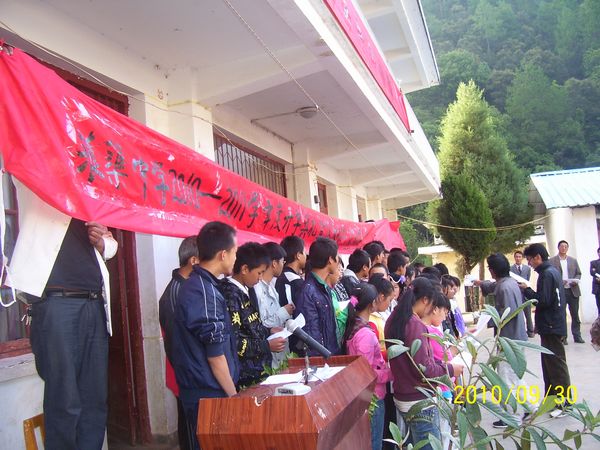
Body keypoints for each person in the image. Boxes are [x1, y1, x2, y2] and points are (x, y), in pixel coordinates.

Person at [7, 181, 118, 450]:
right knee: (64, 400)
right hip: (56, 303)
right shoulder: (37, 181)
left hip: (94, 303)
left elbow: (111, 245)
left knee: (94, 399)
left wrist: (102, 240)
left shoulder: (90, 193)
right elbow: (20, 170)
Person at [171, 221, 239, 450]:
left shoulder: (205, 285)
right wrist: (234, 397)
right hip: (209, 394)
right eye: (234, 252)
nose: (235, 258)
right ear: (223, 254)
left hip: (209, 391)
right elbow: (215, 356)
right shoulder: (203, 291)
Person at [385, 278, 462, 449]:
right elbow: (424, 369)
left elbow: (414, 361)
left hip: (403, 395)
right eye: (433, 304)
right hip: (419, 400)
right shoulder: (414, 324)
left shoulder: (394, 318)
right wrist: (450, 369)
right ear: (425, 300)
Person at [479, 253, 537, 428]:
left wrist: (486, 320)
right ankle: (531, 407)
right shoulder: (509, 282)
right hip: (515, 337)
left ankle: (511, 416)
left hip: (510, 339)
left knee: (505, 378)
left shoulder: (504, 288)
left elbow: (507, 314)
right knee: (514, 376)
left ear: (493, 270)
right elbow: (492, 286)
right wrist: (480, 283)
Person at [219, 242, 287, 387]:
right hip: (245, 376)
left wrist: (268, 330)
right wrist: (266, 346)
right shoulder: (231, 295)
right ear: (244, 269)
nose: (260, 278)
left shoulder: (246, 290)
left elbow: (250, 326)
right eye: (259, 273)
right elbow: (235, 342)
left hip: (257, 371)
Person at [158, 236, 199, 450]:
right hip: (186, 375)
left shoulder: (189, 288)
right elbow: (177, 345)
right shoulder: (176, 293)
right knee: (190, 430)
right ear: (194, 261)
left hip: (194, 372)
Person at [522, 243, 571, 417]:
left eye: (530, 259)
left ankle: (564, 403)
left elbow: (543, 300)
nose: (529, 263)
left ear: (538, 257)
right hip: (550, 325)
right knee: (549, 365)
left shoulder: (547, 274)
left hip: (552, 325)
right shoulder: (550, 271)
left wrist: (527, 290)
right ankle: (552, 400)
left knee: (556, 366)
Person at [343, 283, 393, 450]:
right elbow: (367, 372)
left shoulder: (353, 325)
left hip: (362, 394)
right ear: (372, 303)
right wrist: (390, 373)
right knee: (374, 443)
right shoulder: (364, 333)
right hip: (372, 396)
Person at [293, 237, 340, 355]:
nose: (338, 261)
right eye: (337, 257)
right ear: (330, 260)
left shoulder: (323, 287)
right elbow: (311, 335)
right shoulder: (308, 292)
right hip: (321, 360)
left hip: (329, 355)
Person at [254, 242, 294, 368]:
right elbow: (261, 324)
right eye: (282, 261)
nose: (283, 265)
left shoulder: (271, 286)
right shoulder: (257, 289)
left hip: (279, 355)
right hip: (269, 359)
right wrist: (284, 312)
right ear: (274, 263)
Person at [549, 240, 584, 343]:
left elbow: (578, 273)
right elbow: (550, 275)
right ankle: (563, 337)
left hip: (573, 290)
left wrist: (575, 280)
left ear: (567, 248)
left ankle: (577, 336)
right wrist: (559, 282)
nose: (564, 248)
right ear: (558, 247)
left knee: (575, 315)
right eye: (562, 246)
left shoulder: (573, 260)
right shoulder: (552, 261)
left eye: (565, 246)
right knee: (561, 315)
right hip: (560, 291)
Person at [275, 235, 306, 307]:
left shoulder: (279, 276)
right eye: (304, 252)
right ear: (298, 255)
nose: (306, 256)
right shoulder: (296, 282)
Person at [511, 250, 535, 338]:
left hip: (525, 293)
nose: (518, 258)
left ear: (522, 258)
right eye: (516, 257)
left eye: (519, 257)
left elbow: (527, 279)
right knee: (518, 314)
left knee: (528, 313)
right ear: (514, 258)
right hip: (516, 293)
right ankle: (520, 332)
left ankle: (530, 331)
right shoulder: (511, 269)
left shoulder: (527, 268)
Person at [591, 247, 600, 316]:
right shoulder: (593, 263)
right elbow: (593, 272)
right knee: (599, 304)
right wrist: (599, 276)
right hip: (598, 287)